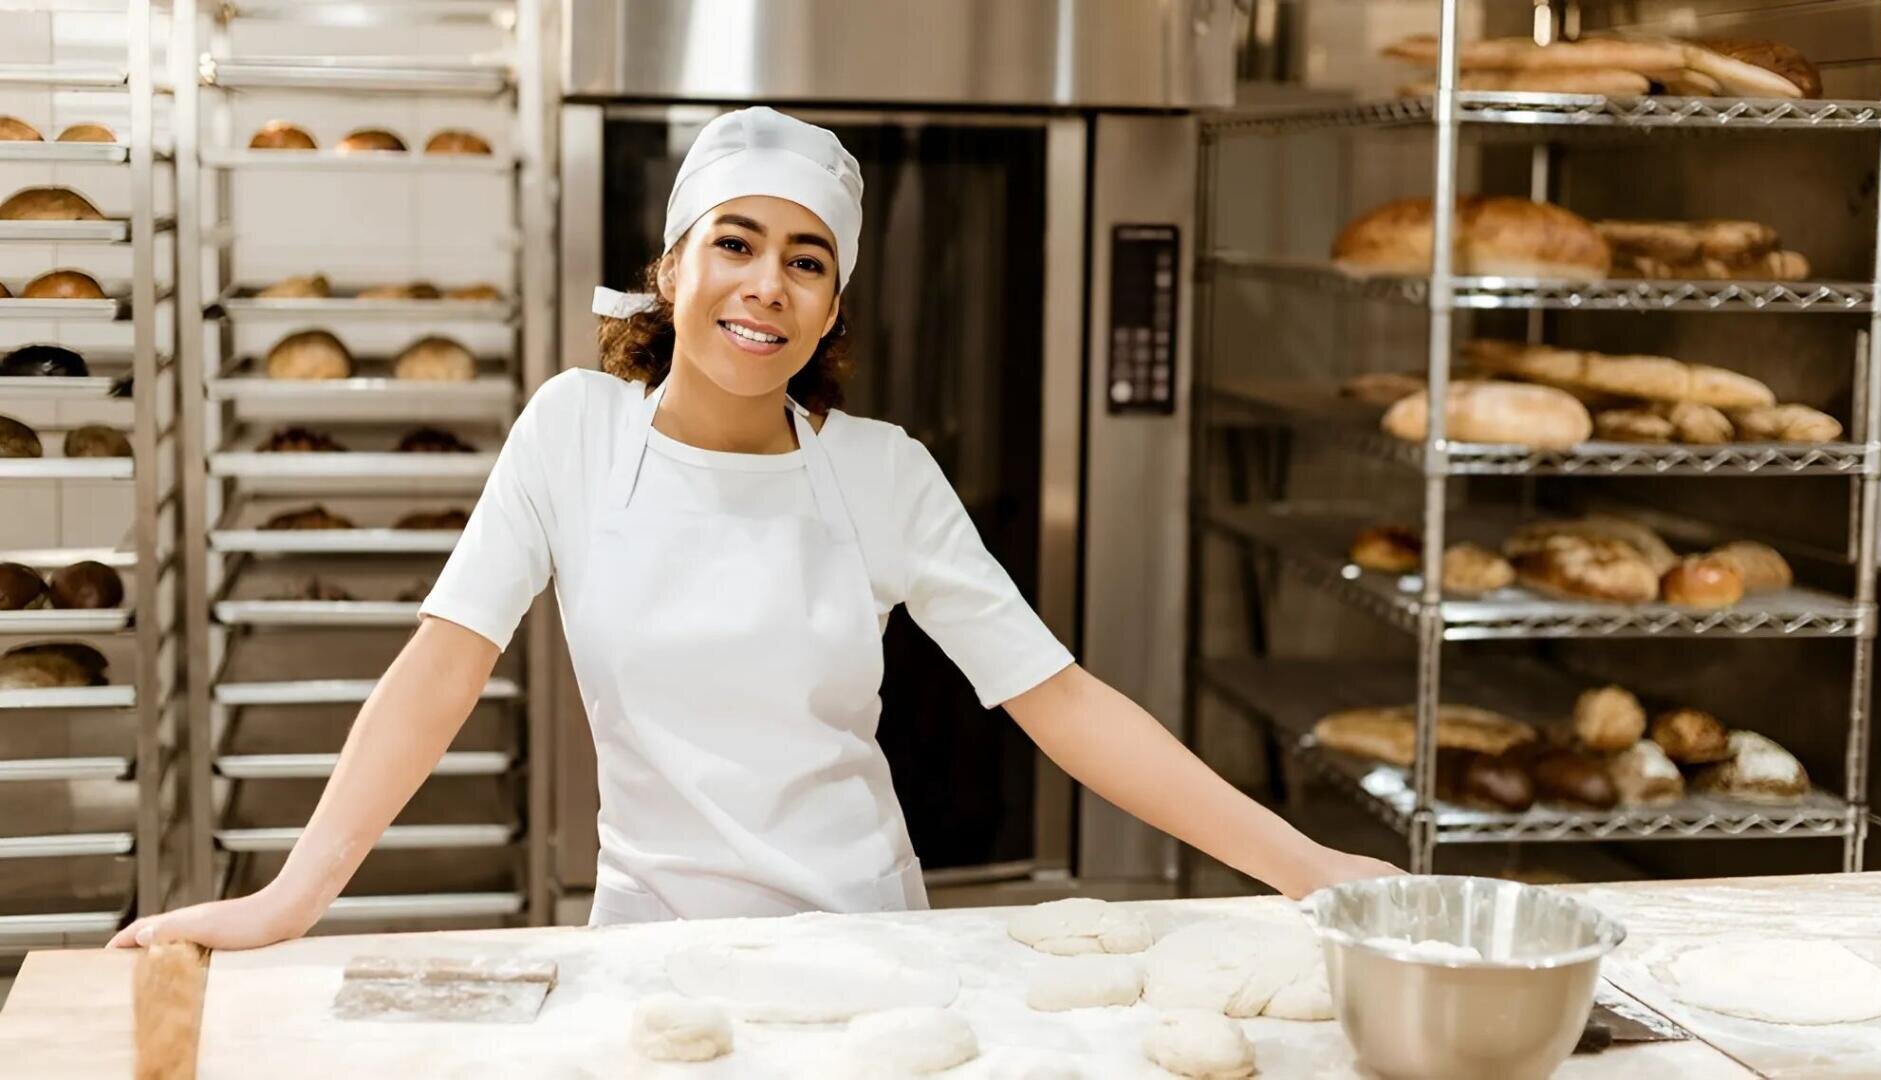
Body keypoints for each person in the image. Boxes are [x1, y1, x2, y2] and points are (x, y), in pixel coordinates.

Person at [110, 107, 1396, 950]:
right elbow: (440, 669)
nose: (764, 287)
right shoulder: (574, 431)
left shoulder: (882, 475)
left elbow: (1058, 700)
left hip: (872, 947)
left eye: (806, 260)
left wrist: (1302, 866)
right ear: (672, 269)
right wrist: (290, 900)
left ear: (833, 309)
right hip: (652, 950)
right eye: (736, 243)